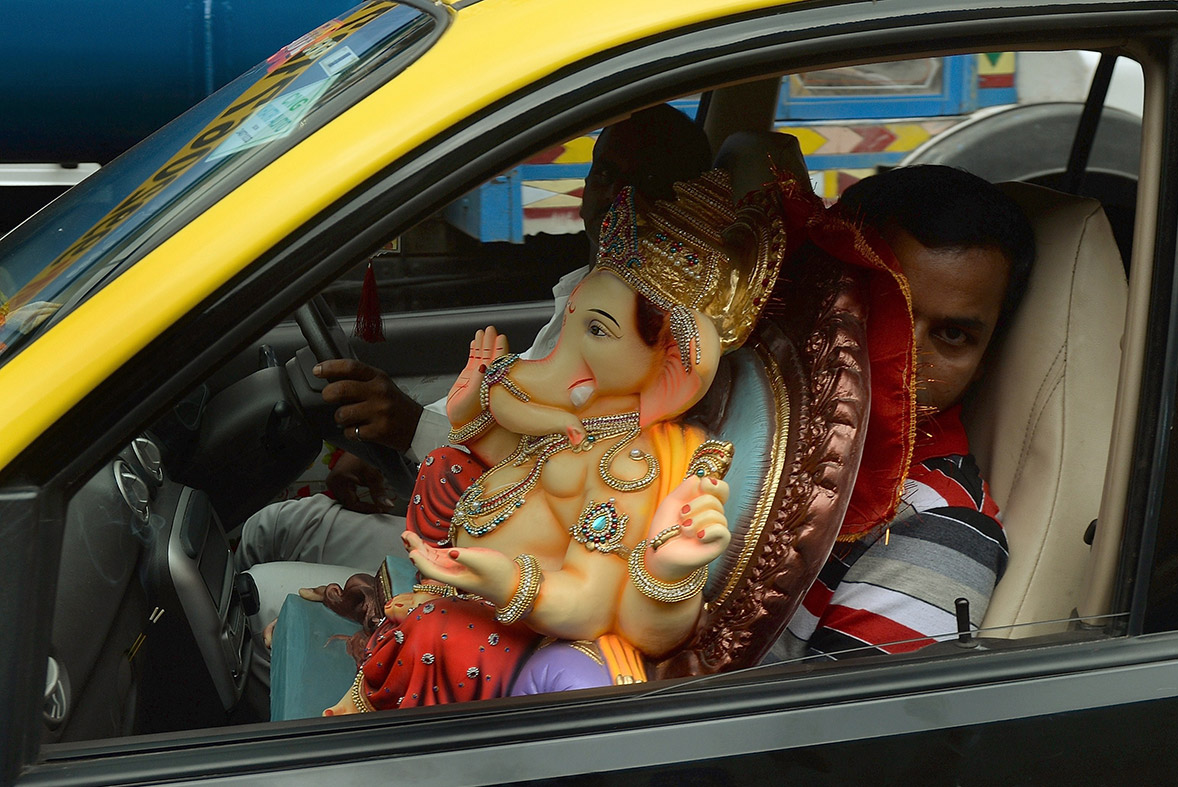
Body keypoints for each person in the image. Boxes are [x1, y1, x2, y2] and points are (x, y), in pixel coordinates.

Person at [234, 105, 715, 692]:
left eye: (631, 182)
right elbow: (512, 410)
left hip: (506, 591)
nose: (605, 194)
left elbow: (596, 589)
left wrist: (415, 431)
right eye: (599, 174)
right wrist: (419, 435)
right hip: (464, 545)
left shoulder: (636, 439)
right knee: (274, 526)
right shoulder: (589, 293)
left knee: (253, 600)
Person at [322, 162, 799, 714]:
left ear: (672, 363)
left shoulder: (626, 466)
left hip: (505, 628)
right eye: (575, 319)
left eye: (597, 331)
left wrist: (508, 581)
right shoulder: (575, 420)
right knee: (447, 464)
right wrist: (468, 414)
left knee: (435, 630)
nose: (562, 350)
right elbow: (500, 458)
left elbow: (591, 600)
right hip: (456, 582)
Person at [765, 164, 1035, 662]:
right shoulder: (752, 412)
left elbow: (836, 734)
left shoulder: (936, 526)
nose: (904, 353)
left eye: (953, 335)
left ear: (983, 364)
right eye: (882, 306)